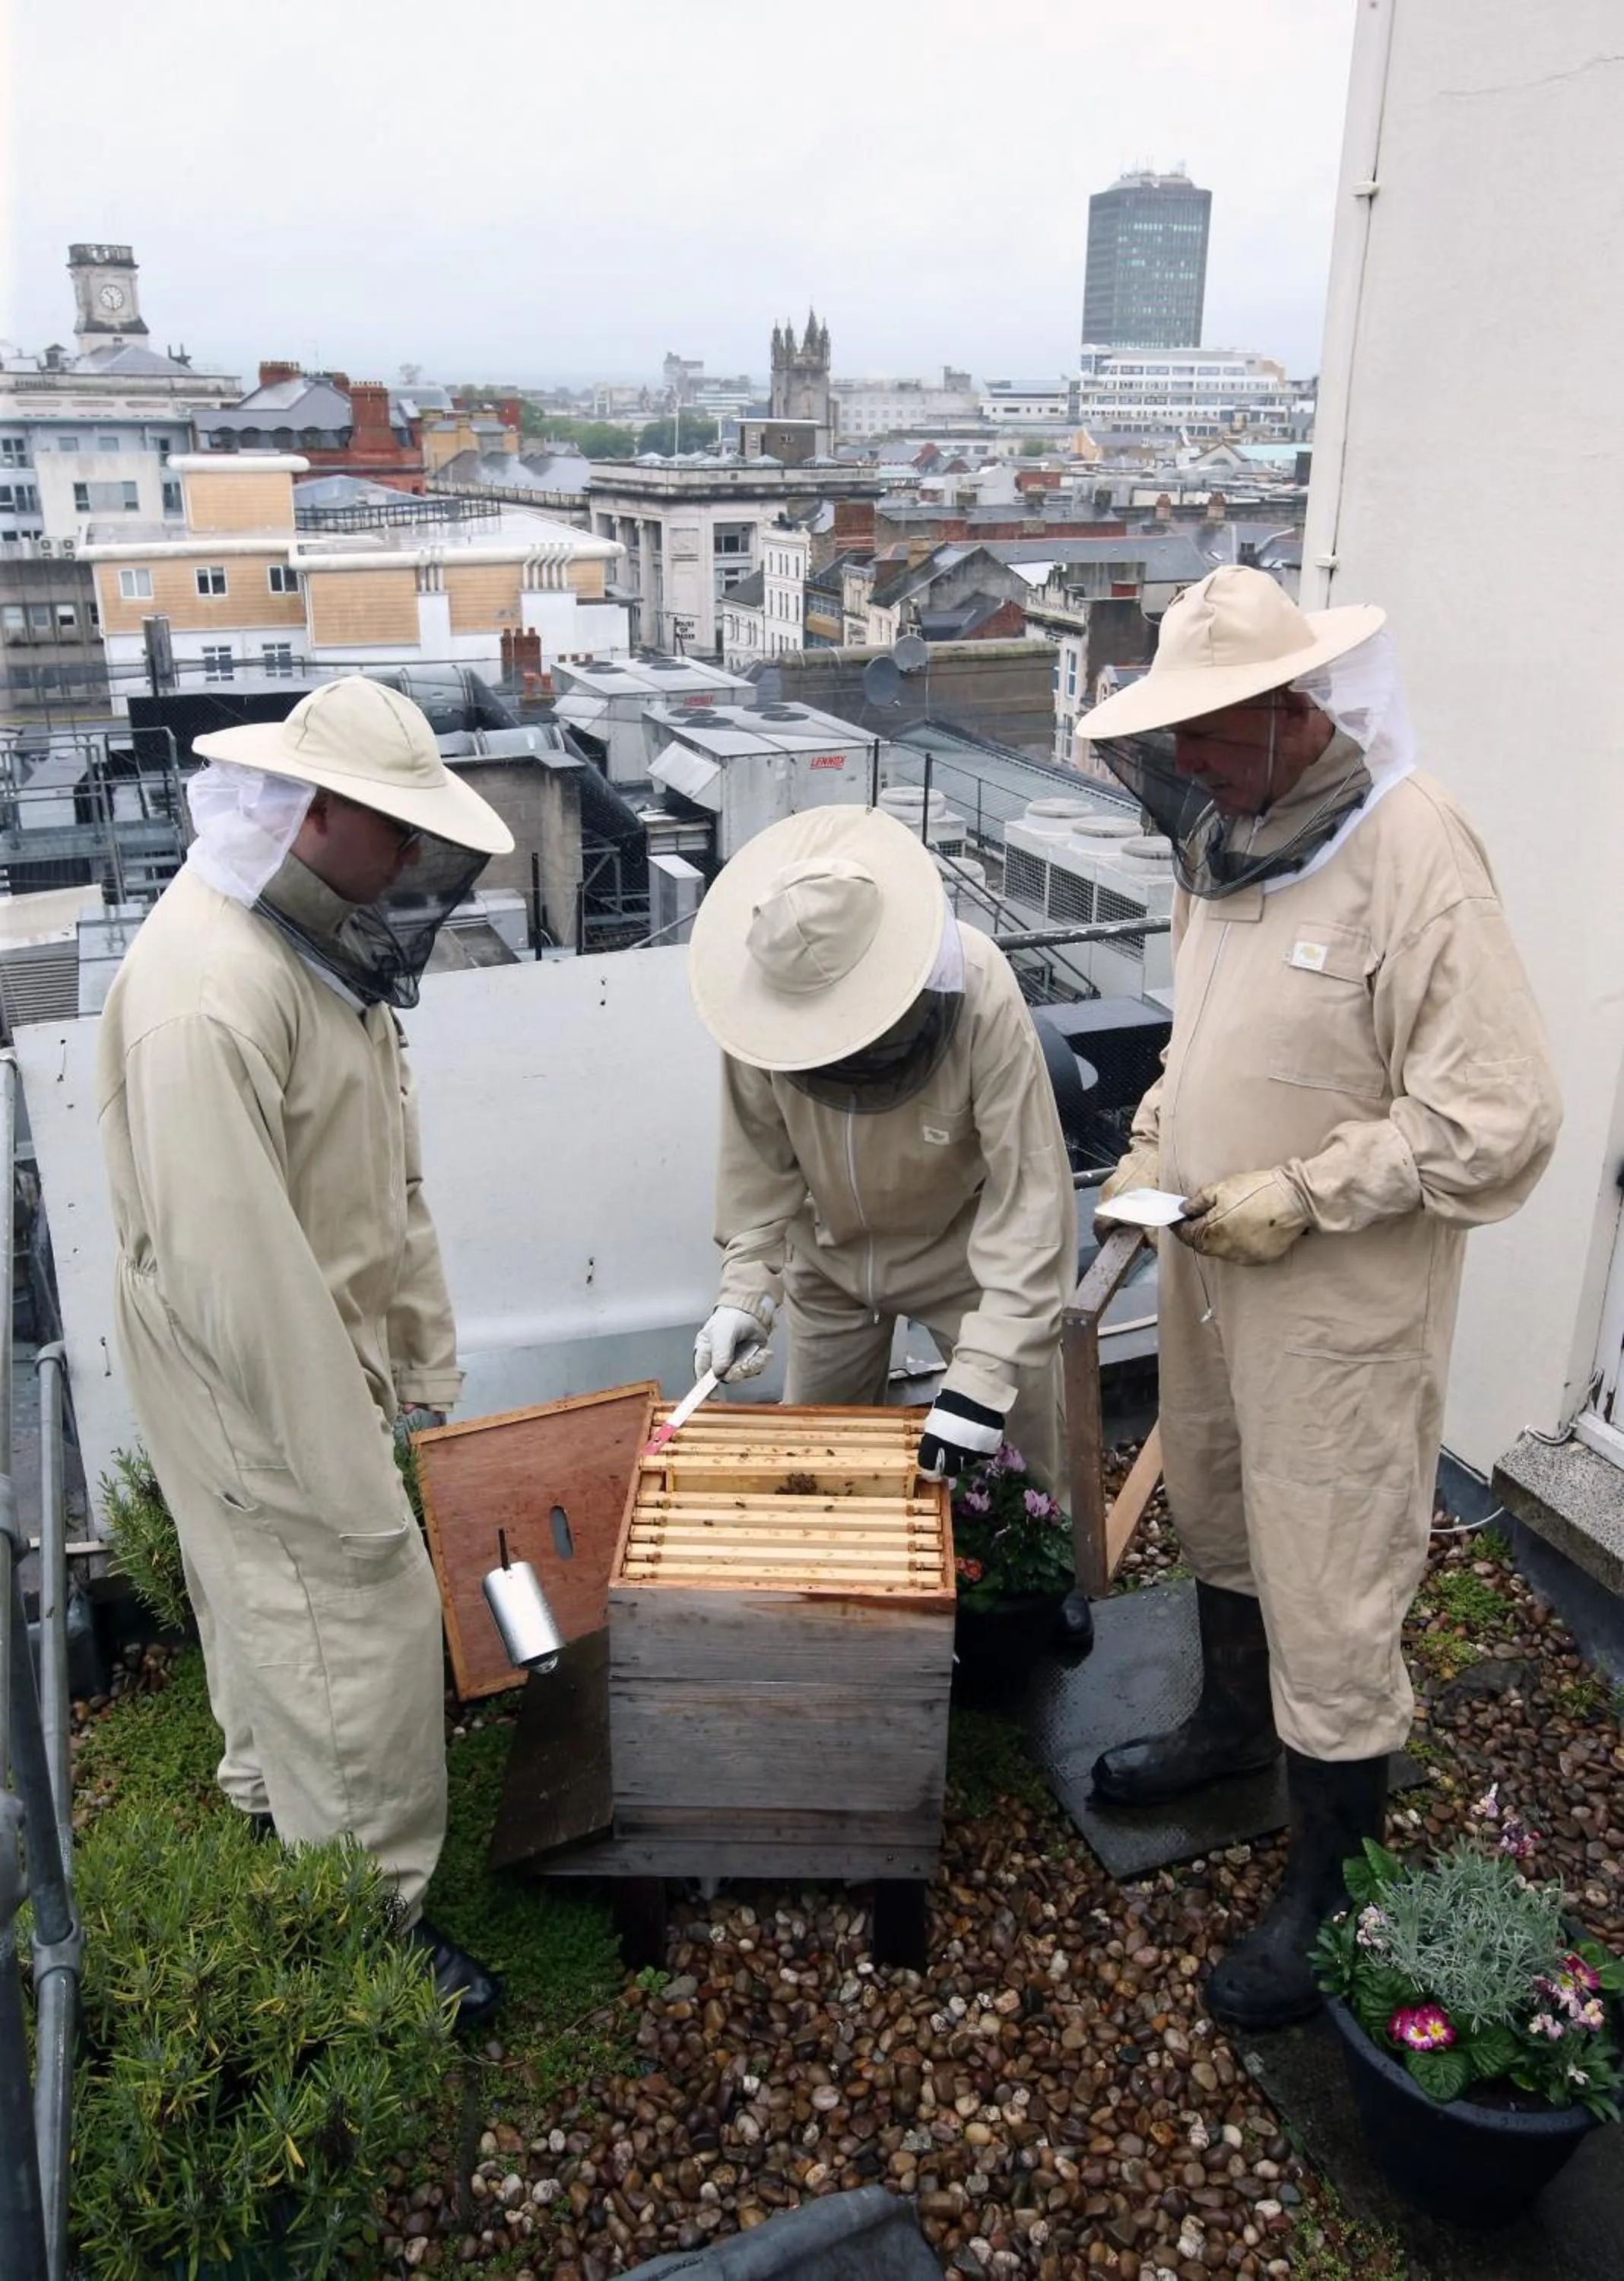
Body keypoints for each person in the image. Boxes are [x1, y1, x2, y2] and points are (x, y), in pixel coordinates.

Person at [1074, 566, 1560, 2028]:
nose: (1187, 763)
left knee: (1333, 1569)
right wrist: (1154, 1146)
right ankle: (1233, 1724)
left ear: (1293, 711)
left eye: (1209, 733)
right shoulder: (1223, 842)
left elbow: (1497, 1116)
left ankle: (1333, 1885)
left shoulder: (1414, 848)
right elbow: (1205, 1041)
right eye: (1174, 737)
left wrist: (1310, 1188)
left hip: (1340, 1306)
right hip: (1209, 1269)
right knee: (1218, 1499)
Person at [97, 674, 514, 2026]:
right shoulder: (207, 989)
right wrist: (351, 1476)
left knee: (262, 1591)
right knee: (350, 1600)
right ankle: (374, 1924)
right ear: (318, 809)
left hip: (306, 1334)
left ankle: (271, 1801)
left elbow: (383, 1179)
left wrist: (420, 1369)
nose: (414, 857)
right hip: (246, 1358)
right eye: (398, 828)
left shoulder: (315, 936)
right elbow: (240, 1276)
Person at [686, 805, 1088, 1637]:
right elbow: (758, 1171)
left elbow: (1032, 1197)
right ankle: (847, 1618)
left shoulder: (981, 989)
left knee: (1021, 1434)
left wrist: (982, 1379)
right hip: (829, 1262)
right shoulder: (757, 1013)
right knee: (817, 1456)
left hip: (964, 1258)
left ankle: (1045, 1585)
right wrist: (743, 1293)